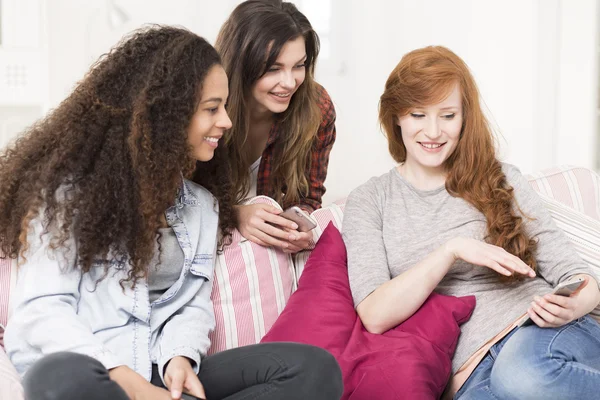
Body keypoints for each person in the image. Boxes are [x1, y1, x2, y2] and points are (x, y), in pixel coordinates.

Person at [1, 26, 343, 400]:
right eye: (212, 109)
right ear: (163, 115)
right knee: (56, 375)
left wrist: (179, 359)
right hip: (95, 372)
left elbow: (191, 305)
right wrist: (134, 387)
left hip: (162, 373)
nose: (226, 122)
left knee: (312, 367)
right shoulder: (66, 197)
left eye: (224, 107)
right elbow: (42, 313)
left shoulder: (201, 205)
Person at [342, 45, 600, 400]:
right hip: (472, 373)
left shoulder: (500, 177)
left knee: (521, 376)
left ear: (464, 119)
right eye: (418, 114)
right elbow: (374, 314)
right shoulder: (370, 200)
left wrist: (578, 302)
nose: (433, 132)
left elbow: (574, 271)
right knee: (511, 382)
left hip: (541, 332)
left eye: (447, 116)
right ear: (395, 116)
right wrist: (452, 250)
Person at [215, 0, 337, 253]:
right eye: (273, 68)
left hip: (268, 248)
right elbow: (173, 199)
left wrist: (297, 228)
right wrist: (235, 214)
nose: (290, 82)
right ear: (241, 64)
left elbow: (307, 198)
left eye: (299, 65)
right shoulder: (202, 107)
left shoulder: (316, 108)